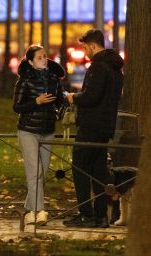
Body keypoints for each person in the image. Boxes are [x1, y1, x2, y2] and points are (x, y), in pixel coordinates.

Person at [63, 29, 124, 228]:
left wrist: (73, 97)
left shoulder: (98, 66)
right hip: (106, 127)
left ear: (92, 45)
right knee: (98, 173)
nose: (85, 52)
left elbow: (91, 96)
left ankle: (86, 215)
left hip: (90, 126)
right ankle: (101, 216)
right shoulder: (115, 68)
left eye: (85, 48)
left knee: (80, 168)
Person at [13, 44, 65, 224]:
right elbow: (17, 107)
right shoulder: (24, 80)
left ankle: (28, 210)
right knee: (34, 172)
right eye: (40, 57)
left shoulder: (55, 79)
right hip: (28, 131)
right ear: (31, 61)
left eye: (45, 56)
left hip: (48, 131)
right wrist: (37, 101)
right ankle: (39, 212)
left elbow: (61, 102)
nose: (44, 59)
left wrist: (57, 113)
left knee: (41, 173)